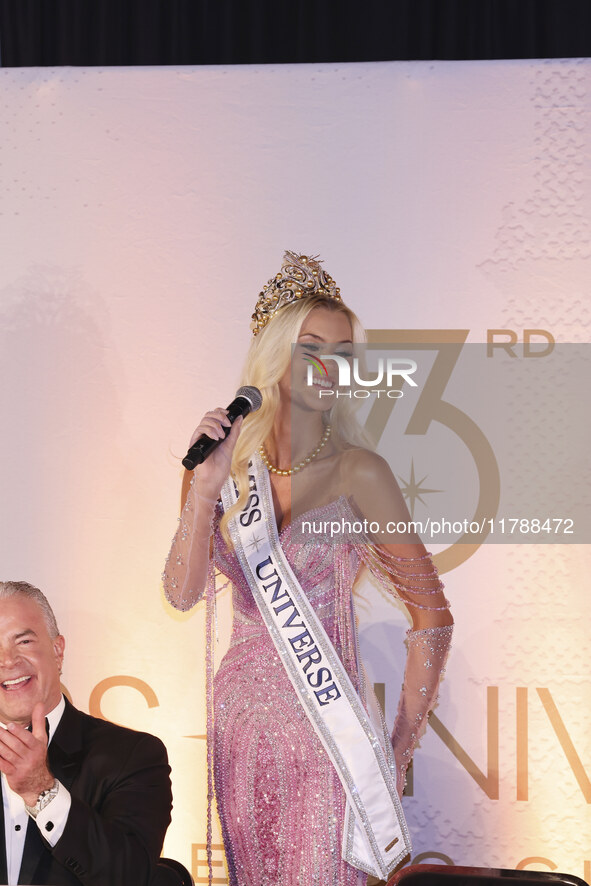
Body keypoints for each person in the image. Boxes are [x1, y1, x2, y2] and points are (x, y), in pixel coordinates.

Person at [163, 251, 453, 886]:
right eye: (312, 346)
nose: (330, 365)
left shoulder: (360, 471)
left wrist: (397, 747)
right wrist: (204, 488)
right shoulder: (223, 468)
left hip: (331, 737)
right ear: (274, 357)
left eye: (344, 350)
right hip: (241, 728)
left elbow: (432, 617)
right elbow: (182, 594)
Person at [0, 580, 173, 885]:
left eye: (23, 642)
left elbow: (130, 876)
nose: (8, 661)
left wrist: (42, 791)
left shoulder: (132, 756)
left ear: (57, 650)